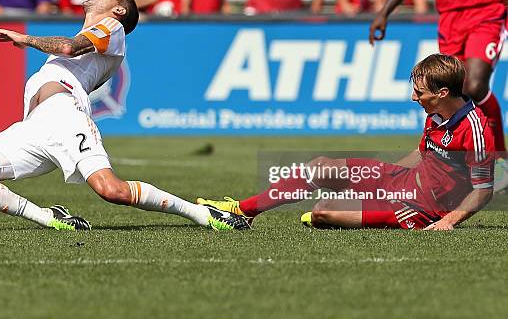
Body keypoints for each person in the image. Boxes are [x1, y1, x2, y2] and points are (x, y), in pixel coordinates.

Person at [0, 0, 250, 232]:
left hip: (65, 117)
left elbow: (68, 48)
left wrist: (25, 39)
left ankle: (202, 214)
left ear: (118, 10)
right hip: (33, 126)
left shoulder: (112, 26)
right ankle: (48, 217)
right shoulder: (98, 36)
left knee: (112, 191)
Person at [198, 54, 496, 230]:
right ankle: (243, 211)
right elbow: (423, 154)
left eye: (420, 93)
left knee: (323, 210)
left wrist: (448, 222)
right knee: (321, 168)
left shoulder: (476, 129)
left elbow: (483, 191)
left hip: (425, 209)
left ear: (443, 93)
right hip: (403, 181)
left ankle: (348, 214)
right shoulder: (436, 113)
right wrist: (382, 177)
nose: (413, 98)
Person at [370, 0, 507, 159]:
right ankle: (455, 158)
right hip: (450, 20)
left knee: (475, 85)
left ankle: (501, 158)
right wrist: (385, 11)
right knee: (455, 91)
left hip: (487, 15)